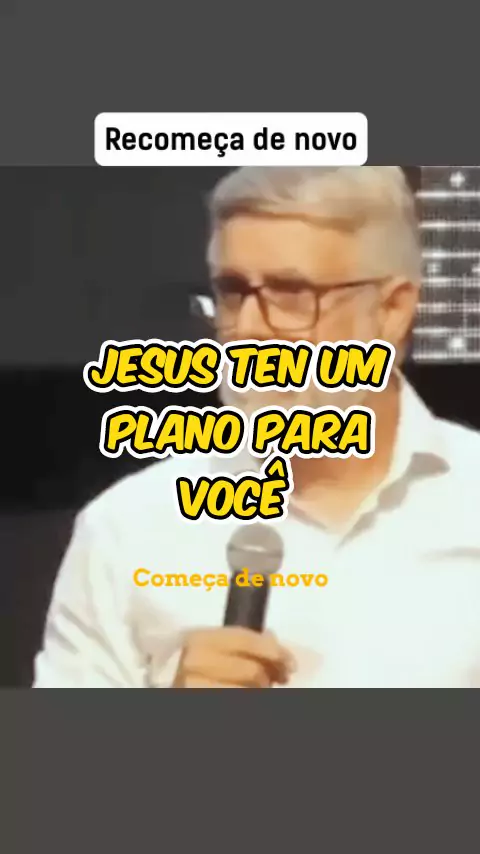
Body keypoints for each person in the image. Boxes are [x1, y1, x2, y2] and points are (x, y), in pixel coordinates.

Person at [33, 166, 480, 689]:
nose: (246, 329)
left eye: (292, 292)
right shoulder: (126, 527)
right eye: (232, 291)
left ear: (392, 310)